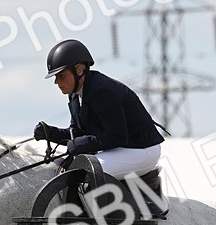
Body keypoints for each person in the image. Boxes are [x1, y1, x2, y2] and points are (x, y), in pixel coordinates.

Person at [32, 39, 164, 179]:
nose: (56, 82)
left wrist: (80, 144)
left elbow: (117, 136)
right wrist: (51, 133)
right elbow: (78, 133)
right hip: (120, 147)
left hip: (141, 150)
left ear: (79, 71)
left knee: (86, 173)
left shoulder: (102, 91)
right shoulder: (75, 95)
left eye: (61, 76)